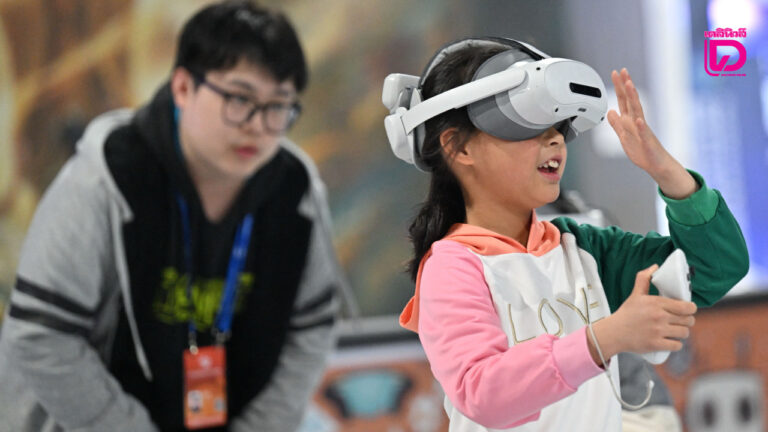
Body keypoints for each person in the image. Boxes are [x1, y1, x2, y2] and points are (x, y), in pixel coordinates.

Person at [0, 1, 346, 431]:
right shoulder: (104, 179)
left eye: (278, 106)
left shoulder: (295, 191)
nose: (257, 125)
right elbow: (41, 336)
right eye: (239, 99)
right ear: (183, 87)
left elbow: (311, 329)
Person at [385, 38, 749, 431]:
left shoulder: (582, 248)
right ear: (458, 148)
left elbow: (715, 268)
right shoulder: (452, 267)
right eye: (524, 125)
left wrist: (666, 172)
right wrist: (604, 339)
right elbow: (482, 394)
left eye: (558, 126)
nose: (556, 139)